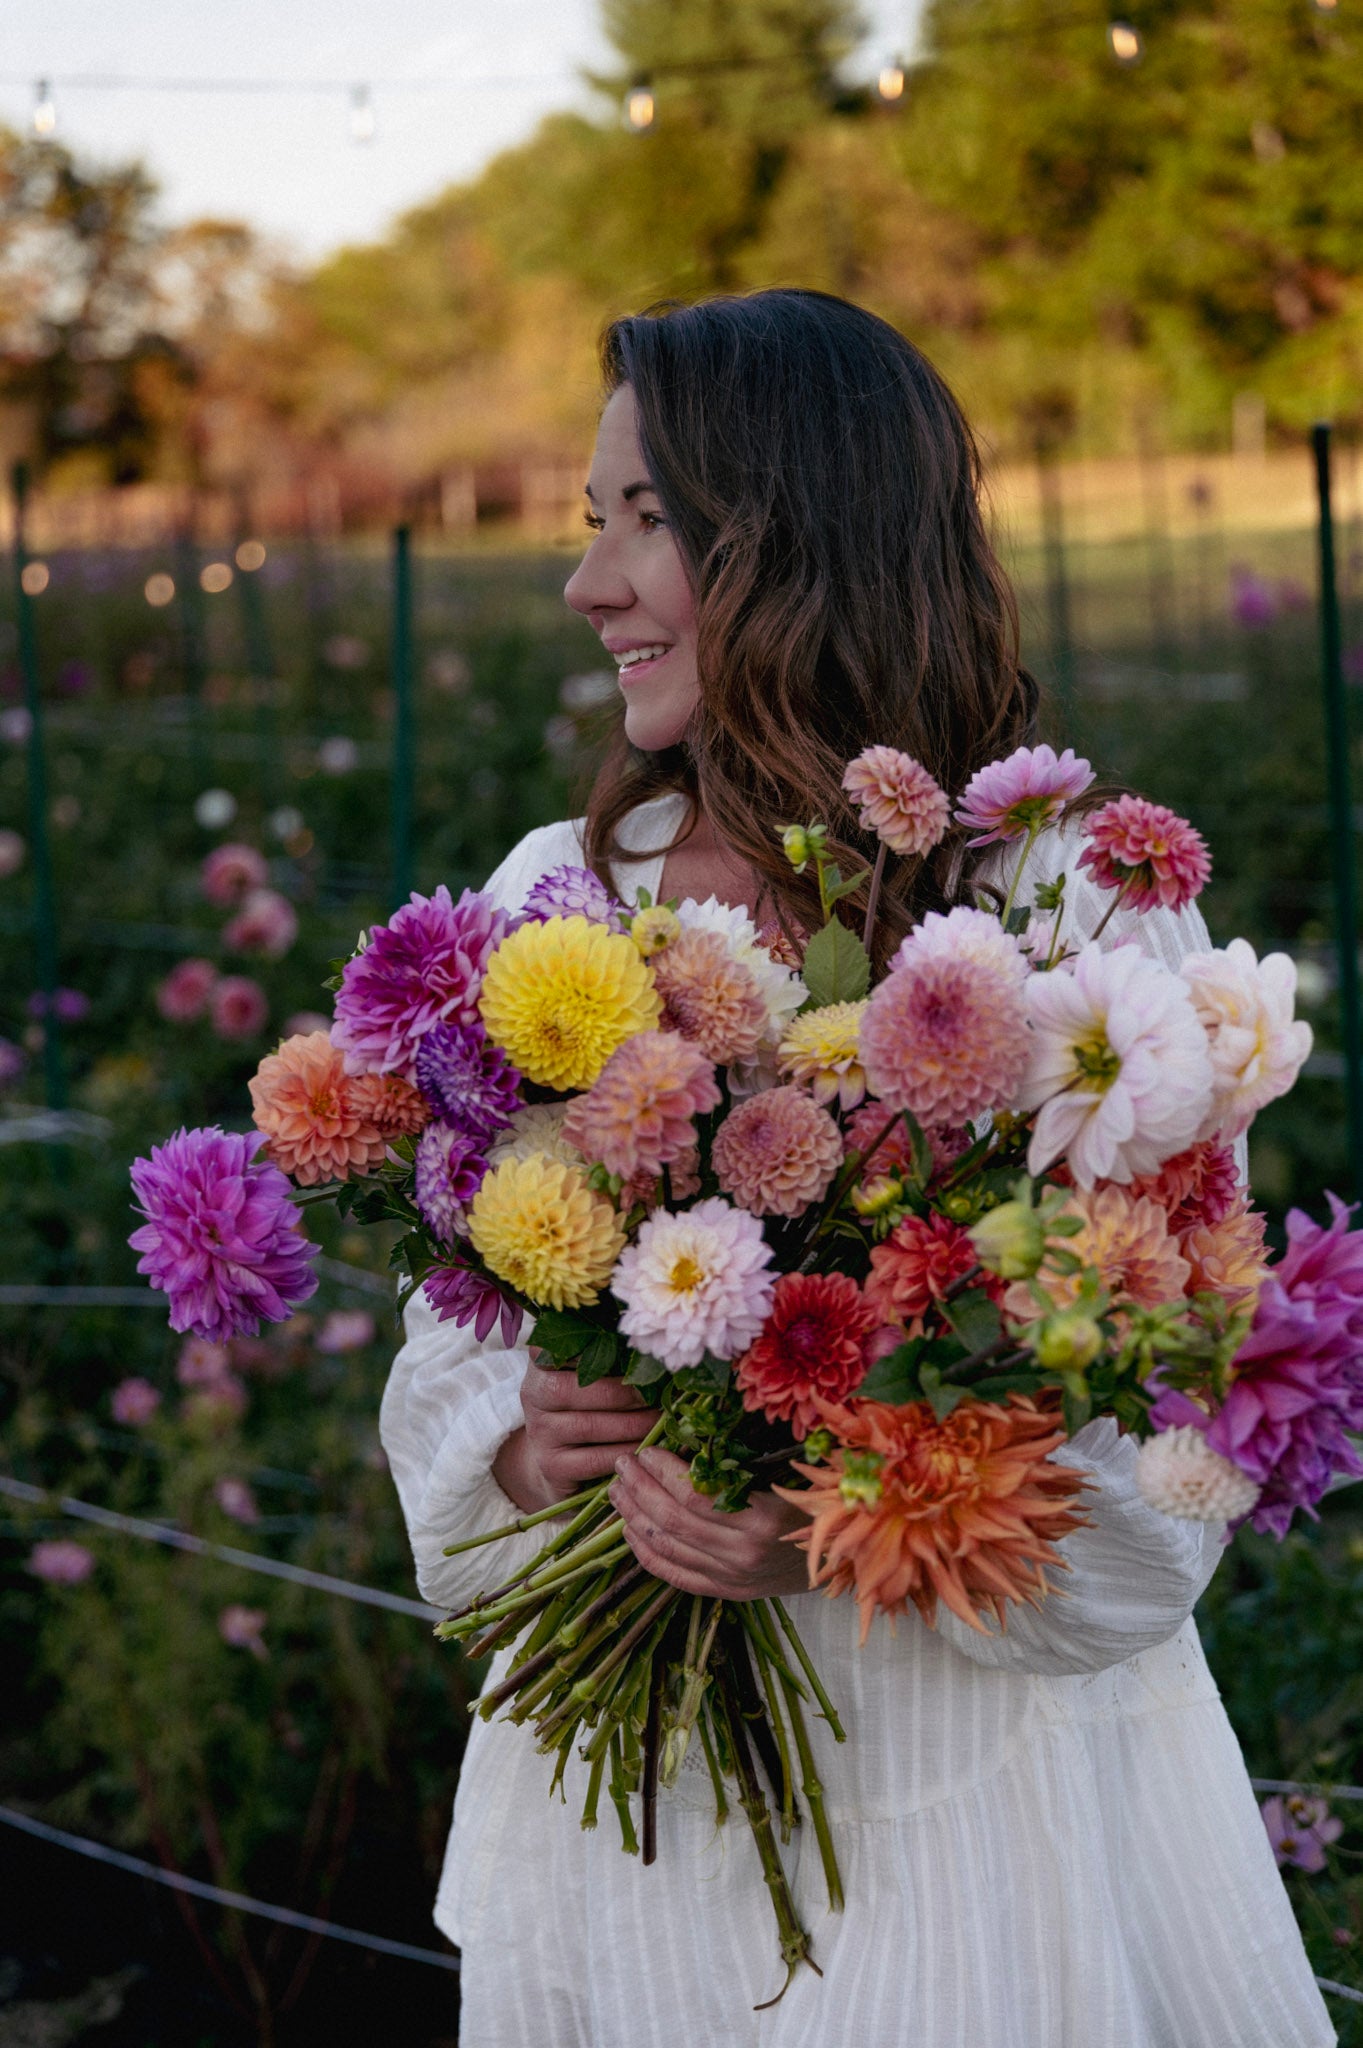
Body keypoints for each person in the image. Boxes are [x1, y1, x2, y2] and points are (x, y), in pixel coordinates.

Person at [380, 291, 1334, 2047]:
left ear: (798, 535)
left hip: (976, 1834)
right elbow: (445, 1353)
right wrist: (526, 1446)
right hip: (634, 1847)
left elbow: (1154, 1471)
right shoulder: (553, 902)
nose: (589, 586)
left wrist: (832, 1529)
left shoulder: (1076, 927)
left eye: (643, 522)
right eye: (594, 524)